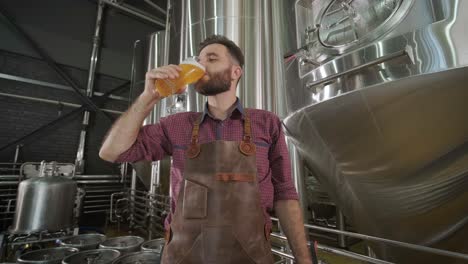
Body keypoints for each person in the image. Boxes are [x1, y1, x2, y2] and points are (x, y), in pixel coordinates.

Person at [99, 35, 313, 264]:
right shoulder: (176, 125)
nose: (201, 66)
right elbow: (112, 152)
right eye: (199, 60)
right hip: (183, 257)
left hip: (252, 256)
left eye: (211, 59)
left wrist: (304, 259)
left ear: (235, 72)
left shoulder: (267, 123)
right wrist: (147, 98)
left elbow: (285, 194)